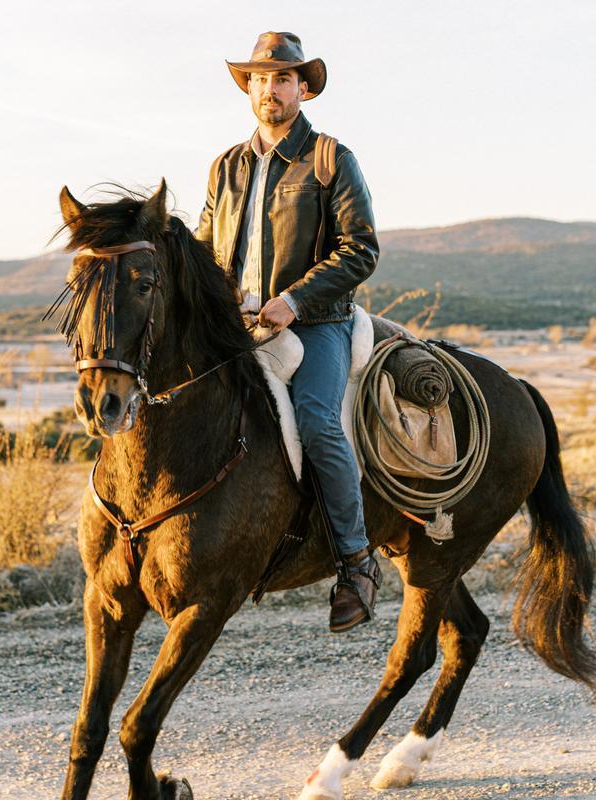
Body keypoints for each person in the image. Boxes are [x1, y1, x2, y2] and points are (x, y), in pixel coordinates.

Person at [196, 31, 381, 632]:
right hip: (237, 325)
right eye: (259, 78)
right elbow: (204, 254)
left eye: (281, 78)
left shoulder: (329, 159)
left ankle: (356, 562)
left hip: (319, 321)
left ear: (303, 88)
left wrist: (293, 301)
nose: (269, 89)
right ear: (248, 88)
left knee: (317, 420)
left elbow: (360, 249)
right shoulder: (226, 167)